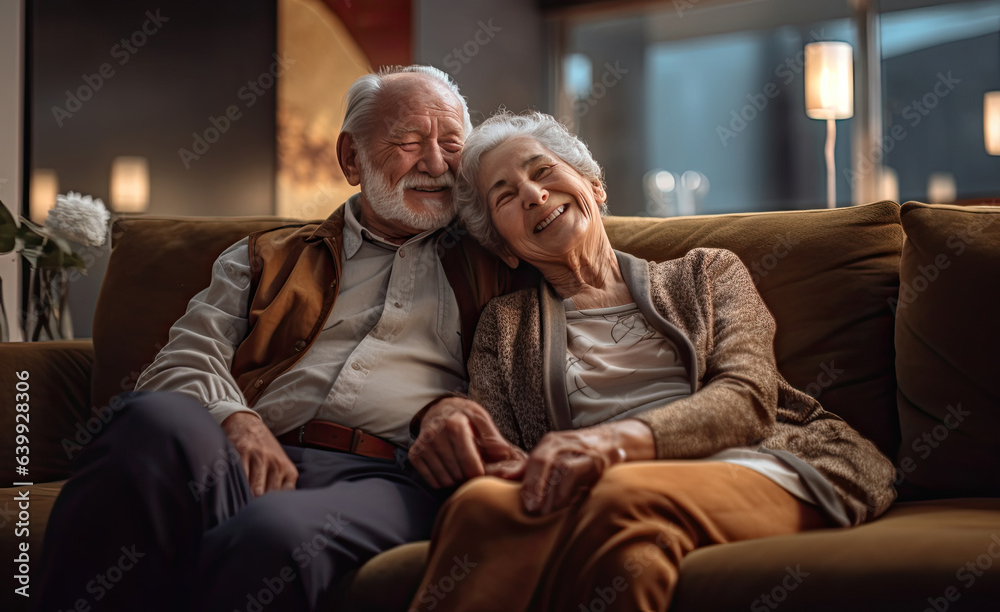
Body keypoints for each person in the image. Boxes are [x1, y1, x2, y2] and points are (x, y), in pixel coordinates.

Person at [34, 66, 533, 612]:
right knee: (146, 418)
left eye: (452, 145)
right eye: (409, 144)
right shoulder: (268, 256)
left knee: (271, 535)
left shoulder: (503, 258)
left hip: (394, 476)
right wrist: (236, 419)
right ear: (351, 159)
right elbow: (182, 361)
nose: (436, 164)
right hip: (248, 455)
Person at [406, 111, 898, 612]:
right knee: (485, 506)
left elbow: (747, 401)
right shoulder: (505, 325)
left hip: (759, 463)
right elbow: (504, 457)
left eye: (543, 171)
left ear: (593, 187)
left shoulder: (706, 273)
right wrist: (457, 428)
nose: (533, 194)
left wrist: (609, 445)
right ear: (504, 247)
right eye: (505, 196)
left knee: (618, 493)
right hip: (608, 498)